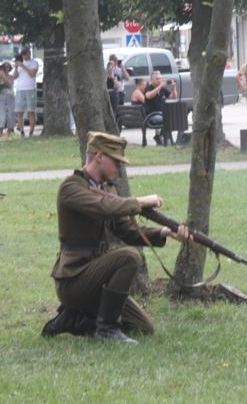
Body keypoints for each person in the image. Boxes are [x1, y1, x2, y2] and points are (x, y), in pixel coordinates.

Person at [42, 131, 191, 343]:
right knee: (129, 257)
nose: (119, 168)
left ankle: (73, 319)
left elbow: (126, 230)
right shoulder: (71, 187)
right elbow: (104, 207)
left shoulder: (107, 189)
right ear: (99, 156)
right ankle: (107, 329)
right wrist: (140, 202)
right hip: (74, 280)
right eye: (116, 161)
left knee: (143, 327)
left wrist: (164, 232)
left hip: (97, 280)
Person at [143, 70, 177, 145]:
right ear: (152, 80)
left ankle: (162, 137)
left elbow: (173, 97)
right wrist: (160, 86)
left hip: (160, 115)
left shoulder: (162, 89)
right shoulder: (149, 88)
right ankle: (163, 138)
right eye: (157, 79)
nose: (159, 80)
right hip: (151, 116)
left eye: (160, 78)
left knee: (173, 118)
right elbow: (148, 96)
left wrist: (173, 88)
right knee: (167, 119)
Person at [14, 48, 39, 137]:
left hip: (30, 88)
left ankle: (31, 132)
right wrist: (16, 67)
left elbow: (32, 74)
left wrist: (23, 66)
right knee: (19, 112)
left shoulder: (34, 63)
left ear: (29, 53)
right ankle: (21, 131)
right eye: (23, 54)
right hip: (20, 89)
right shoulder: (19, 63)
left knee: (31, 111)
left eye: (26, 54)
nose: (25, 56)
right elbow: (15, 76)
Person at [0, 62, 16, 140]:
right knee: (1, 115)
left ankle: (9, 134)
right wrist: (0, 77)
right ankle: (1, 134)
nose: (6, 69)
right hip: (1, 96)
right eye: (4, 67)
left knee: (10, 115)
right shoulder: (0, 76)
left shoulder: (11, 76)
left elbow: (10, 83)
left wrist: (4, 76)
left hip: (10, 95)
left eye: (7, 67)